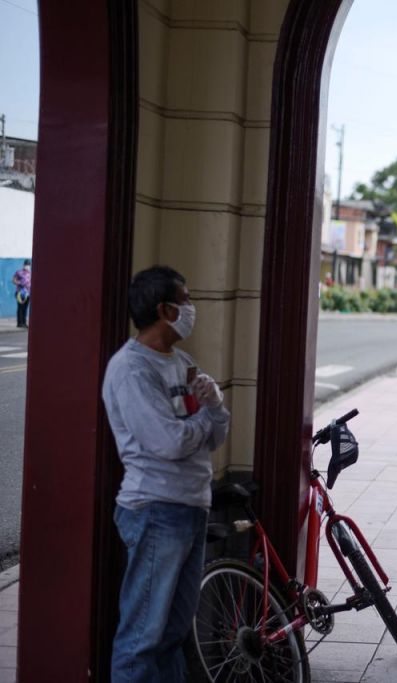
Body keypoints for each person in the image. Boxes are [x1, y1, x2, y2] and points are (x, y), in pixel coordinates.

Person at [102, 266, 231, 681]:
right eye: (186, 300)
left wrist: (215, 406)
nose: (192, 309)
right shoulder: (132, 370)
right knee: (144, 635)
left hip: (192, 505)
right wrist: (204, 420)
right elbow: (169, 442)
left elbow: (216, 434)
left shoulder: (182, 361)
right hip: (156, 509)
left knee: (174, 632)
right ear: (164, 309)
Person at [11, 259, 30, 329]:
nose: (27, 266)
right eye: (26, 264)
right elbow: (13, 280)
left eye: (28, 265)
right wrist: (19, 283)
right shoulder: (19, 272)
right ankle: (19, 323)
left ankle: (24, 323)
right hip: (20, 293)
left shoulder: (30, 273)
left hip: (27, 294)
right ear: (24, 265)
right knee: (20, 308)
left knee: (25, 308)